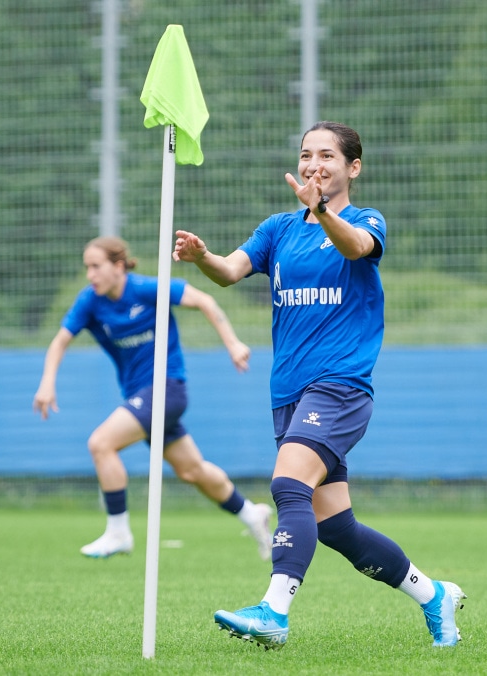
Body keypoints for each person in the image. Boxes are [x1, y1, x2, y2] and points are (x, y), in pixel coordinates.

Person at [173, 121, 466, 650]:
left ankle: (274, 611)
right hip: (288, 391)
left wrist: (324, 210)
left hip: (339, 387)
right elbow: (230, 271)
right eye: (306, 154)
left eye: (327, 155)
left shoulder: (363, 220)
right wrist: (201, 258)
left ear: (353, 167)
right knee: (336, 527)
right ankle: (433, 594)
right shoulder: (278, 229)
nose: (314, 164)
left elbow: (356, 248)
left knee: (288, 487)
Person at [33, 236, 273, 561]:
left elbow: (205, 300)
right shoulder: (90, 301)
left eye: (96, 266)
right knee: (192, 471)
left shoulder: (146, 289)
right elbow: (60, 341)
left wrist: (232, 343)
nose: (90, 275)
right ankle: (250, 513)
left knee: (101, 444)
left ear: (118, 266)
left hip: (167, 389)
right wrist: (47, 382)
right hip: (140, 397)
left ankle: (118, 531)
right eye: (87, 267)